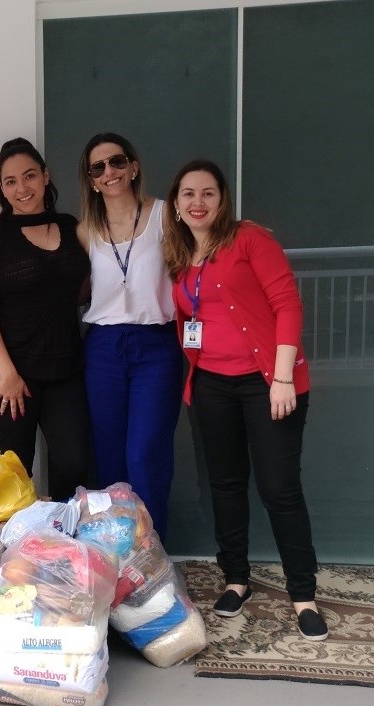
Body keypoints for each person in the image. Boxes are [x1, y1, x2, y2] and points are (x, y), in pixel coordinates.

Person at [164, 159, 328, 641]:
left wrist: (282, 378)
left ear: (223, 200)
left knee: (280, 489)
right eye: (188, 194)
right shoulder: (179, 257)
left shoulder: (250, 240)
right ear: (176, 204)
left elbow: (287, 304)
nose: (198, 202)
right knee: (225, 485)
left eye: (208, 193)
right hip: (212, 385)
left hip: (267, 383)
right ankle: (236, 579)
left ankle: (303, 594)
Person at [0, 138, 91, 501]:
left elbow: (81, 289)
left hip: (64, 367)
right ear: (2, 188)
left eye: (30, 175)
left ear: (45, 176)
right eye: (11, 181)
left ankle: (61, 532)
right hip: (9, 370)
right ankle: (22, 537)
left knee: (74, 463)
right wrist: (7, 373)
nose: (22, 188)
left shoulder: (71, 227)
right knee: (17, 467)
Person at [76, 133, 182, 541]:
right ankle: (116, 553)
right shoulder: (85, 231)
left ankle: (153, 555)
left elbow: (200, 253)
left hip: (155, 345)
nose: (109, 172)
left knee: (145, 454)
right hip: (103, 347)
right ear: (91, 180)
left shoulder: (165, 214)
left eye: (117, 162)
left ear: (134, 167)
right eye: (98, 167)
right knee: (109, 456)